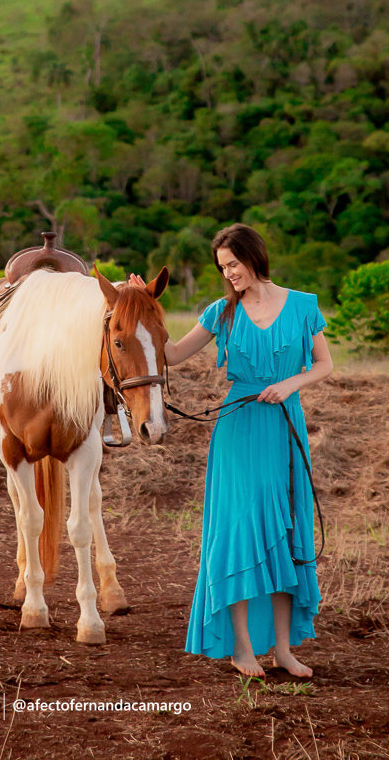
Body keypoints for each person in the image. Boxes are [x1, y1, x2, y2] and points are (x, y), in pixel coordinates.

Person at [133, 223, 333, 677]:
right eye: (223, 268)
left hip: (284, 426)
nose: (230, 274)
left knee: (284, 533)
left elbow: (325, 364)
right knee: (241, 532)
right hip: (238, 430)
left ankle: (283, 650)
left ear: (253, 257)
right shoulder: (221, 312)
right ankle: (242, 649)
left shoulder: (302, 305)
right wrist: (142, 302)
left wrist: (289, 384)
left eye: (234, 264)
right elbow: (175, 354)